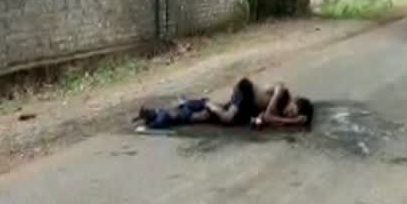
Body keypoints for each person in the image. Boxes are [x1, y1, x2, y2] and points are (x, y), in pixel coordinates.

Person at [135, 78, 315, 132]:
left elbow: (263, 119)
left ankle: (156, 115)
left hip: (247, 107)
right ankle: (206, 103)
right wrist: (294, 122)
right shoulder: (281, 91)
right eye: (292, 110)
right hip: (245, 91)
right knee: (226, 117)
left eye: (291, 115)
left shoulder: (283, 113)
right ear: (294, 101)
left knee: (205, 117)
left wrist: (288, 120)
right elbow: (268, 117)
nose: (289, 114)